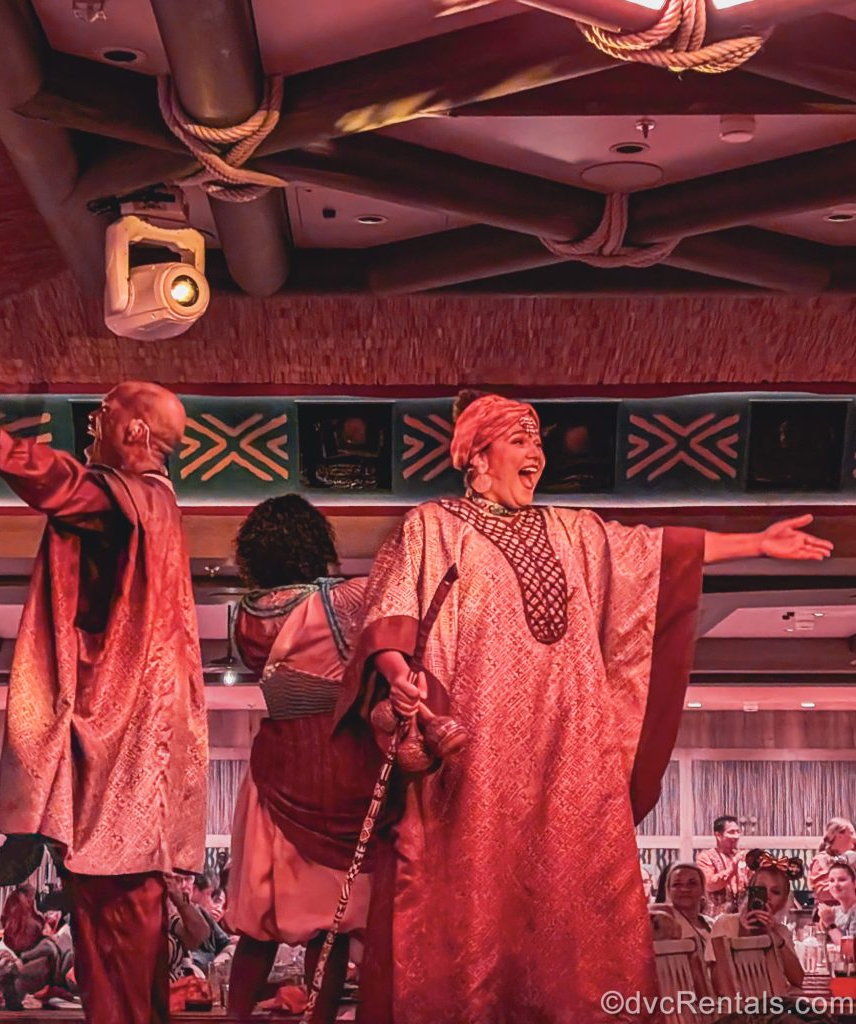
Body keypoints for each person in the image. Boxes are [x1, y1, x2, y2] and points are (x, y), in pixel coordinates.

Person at [339, 390, 832, 1024]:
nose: (536, 453)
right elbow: (390, 617)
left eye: (538, 441)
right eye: (520, 439)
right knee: (471, 903)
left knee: (580, 900)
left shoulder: (573, 531)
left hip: (570, 750)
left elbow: (659, 551)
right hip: (475, 757)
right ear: (477, 454)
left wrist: (755, 544)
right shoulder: (432, 526)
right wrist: (398, 673)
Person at [0, 372, 208, 1024]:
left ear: (133, 430)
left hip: (117, 777)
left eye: (104, 413)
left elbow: (65, 486)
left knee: (117, 962)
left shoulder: (130, 499)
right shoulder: (157, 509)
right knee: (121, 960)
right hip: (130, 771)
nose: (92, 425)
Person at [225, 494, 387, 1024]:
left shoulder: (243, 615)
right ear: (315, 543)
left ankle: (235, 1019)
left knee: (258, 922)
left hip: (271, 765)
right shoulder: (342, 600)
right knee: (332, 919)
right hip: (334, 759)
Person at [706, 859, 805, 992]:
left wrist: (773, 935)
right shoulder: (726, 923)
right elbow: (717, 983)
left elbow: (798, 979)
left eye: (775, 892)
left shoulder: (781, 931)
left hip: (776, 1004)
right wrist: (743, 932)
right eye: (761, 890)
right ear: (750, 892)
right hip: (740, 1007)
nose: (767, 897)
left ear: (783, 901)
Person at [653, 862, 714, 991]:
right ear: (668, 890)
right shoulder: (663, 923)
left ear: (702, 888)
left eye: (692, 883)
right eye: (677, 884)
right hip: (681, 993)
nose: (685, 889)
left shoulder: (711, 924)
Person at [697, 816, 748, 916]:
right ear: (718, 835)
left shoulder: (742, 856)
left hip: (740, 917)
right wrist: (733, 866)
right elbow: (710, 885)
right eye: (731, 832)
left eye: (738, 832)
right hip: (715, 918)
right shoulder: (705, 857)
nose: (736, 836)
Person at [810, 818, 856, 903]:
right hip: (830, 914)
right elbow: (823, 892)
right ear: (839, 836)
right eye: (852, 833)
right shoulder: (822, 860)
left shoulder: (851, 858)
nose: (855, 837)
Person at [818, 862, 856, 940]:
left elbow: (851, 949)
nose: (836, 884)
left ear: (854, 883)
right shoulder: (834, 911)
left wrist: (830, 924)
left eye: (842, 880)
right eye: (832, 880)